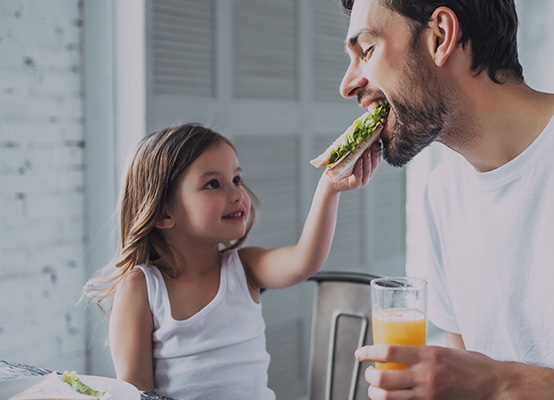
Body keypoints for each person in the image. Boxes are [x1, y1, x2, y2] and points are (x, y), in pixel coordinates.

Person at [337, 0, 554, 398]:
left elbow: (484, 384)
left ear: (440, 36)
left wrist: (499, 384)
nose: (348, 84)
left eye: (367, 50)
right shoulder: (442, 195)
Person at [83, 123, 381, 399]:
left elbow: (305, 260)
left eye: (237, 179)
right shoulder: (142, 287)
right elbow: (137, 393)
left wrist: (329, 187)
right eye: (213, 184)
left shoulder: (244, 267)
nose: (237, 193)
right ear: (163, 214)